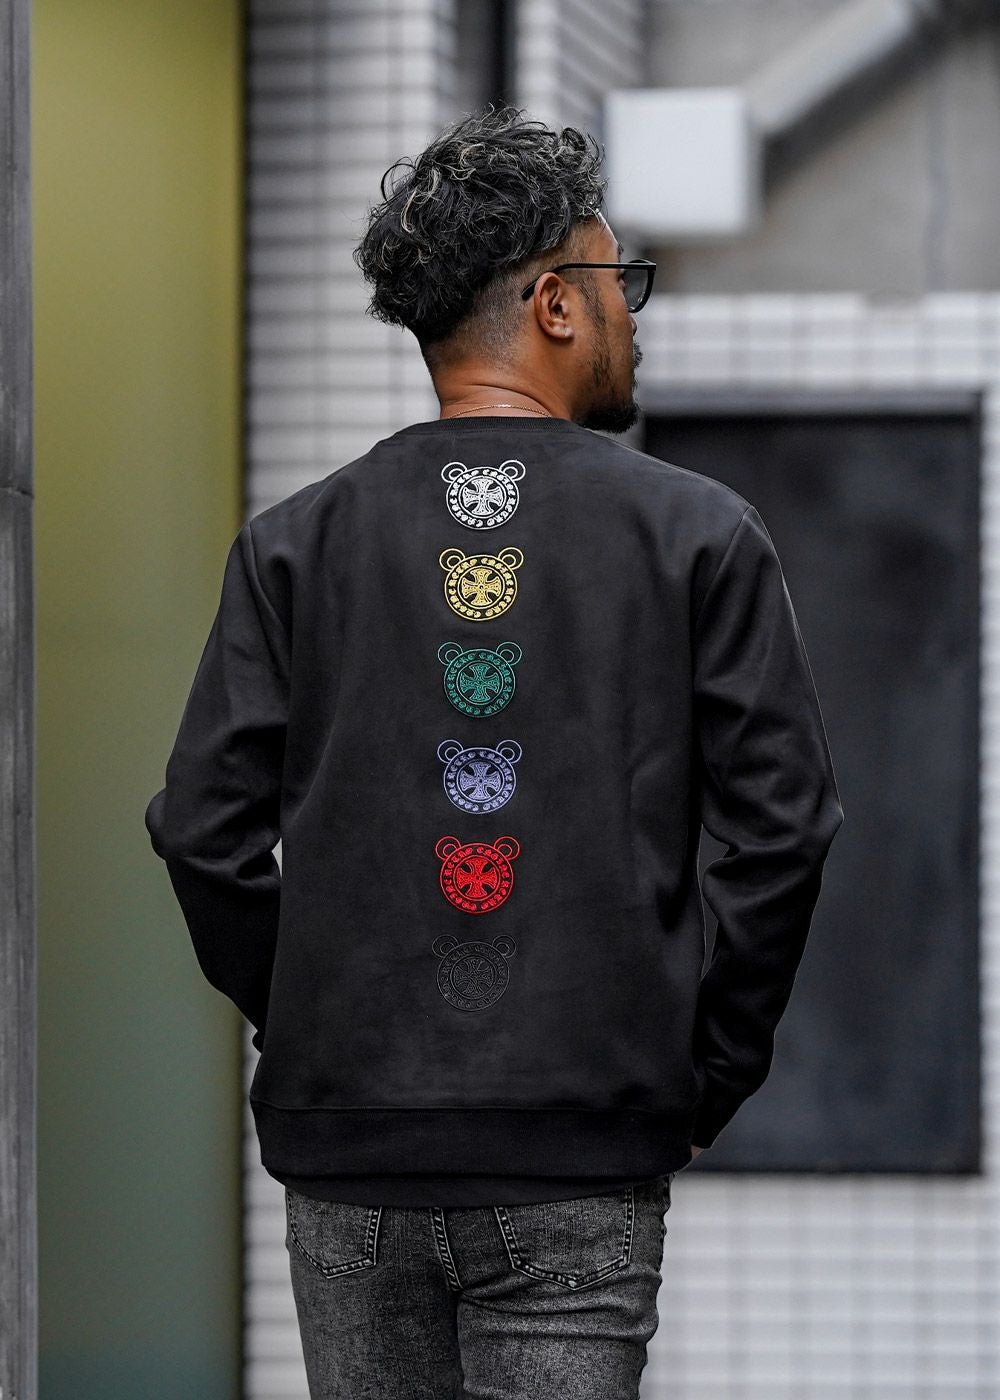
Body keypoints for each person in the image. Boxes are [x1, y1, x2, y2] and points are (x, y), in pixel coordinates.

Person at [144, 105, 844, 1400]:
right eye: (620, 280)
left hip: (350, 1150)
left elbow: (200, 830)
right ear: (556, 303)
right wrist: (701, 1070)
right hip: (581, 1144)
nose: (633, 314)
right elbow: (785, 829)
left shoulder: (295, 544)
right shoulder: (697, 536)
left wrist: (316, 1024)